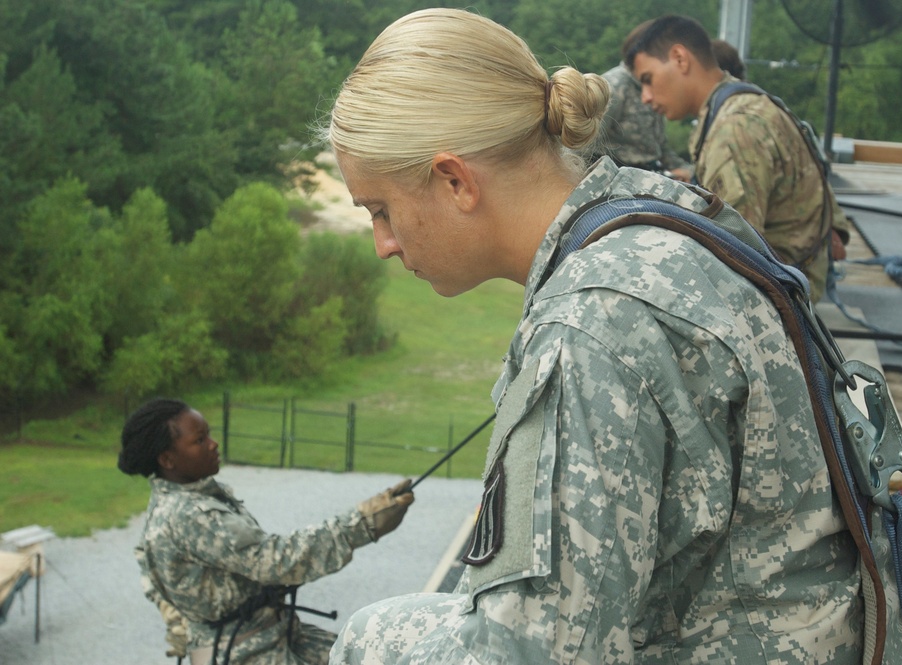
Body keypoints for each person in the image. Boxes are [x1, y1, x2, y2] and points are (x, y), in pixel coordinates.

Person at [325, 7, 861, 664]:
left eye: (381, 210)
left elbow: (538, 652)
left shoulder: (590, 328)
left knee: (367, 639)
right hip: (788, 627)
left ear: (454, 180)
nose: (383, 244)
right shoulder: (654, 216)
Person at [117, 398, 414, 665]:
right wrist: (362, 524)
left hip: (273, 632)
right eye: (200, 440)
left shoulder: (192, 498)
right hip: (245, 651)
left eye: (209, 434)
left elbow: (147, 557)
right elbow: (274, 560)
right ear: (167, 460)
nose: (213, 444)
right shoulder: (189, 514)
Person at [627, 15, 848, 302]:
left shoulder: (732, 129)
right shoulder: (738, 104)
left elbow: (736, 259)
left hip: (783, 300)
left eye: (648, 80)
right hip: (791, 280)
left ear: (680, 58)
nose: (645, 96)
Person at [584, 20, 692, 181]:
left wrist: (685, 170)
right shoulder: (613, 87)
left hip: (650, 175)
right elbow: (583, 144)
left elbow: (659, 146)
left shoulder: (657, 86)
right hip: (616, 179)